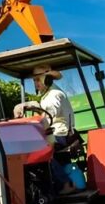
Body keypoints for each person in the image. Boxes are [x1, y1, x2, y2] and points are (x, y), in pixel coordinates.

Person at [14, 64, 84, 194]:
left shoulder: (54, 94)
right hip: (54, 132)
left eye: (38, 79)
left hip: (60, 134)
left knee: (38, 150)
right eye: (34, 80)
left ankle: (65, 184)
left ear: (47, 79)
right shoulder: (47, 95)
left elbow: (47, 114)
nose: (35, 83)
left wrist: (31, 106)